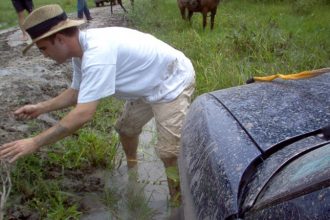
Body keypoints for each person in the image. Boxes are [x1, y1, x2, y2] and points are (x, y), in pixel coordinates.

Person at [0, 4, 195, 199]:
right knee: (126, 129)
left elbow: (83, 114)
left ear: (59, 39)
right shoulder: (80, 52)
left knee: (169, 152)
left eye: (43, 48)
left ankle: (178, 202)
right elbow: (76, 92)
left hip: (171, 80)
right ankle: (133, 170)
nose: (44, 55)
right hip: (147, 85)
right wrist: (40, 108)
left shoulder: (97, 53)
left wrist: (34, 142)